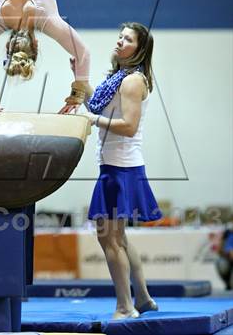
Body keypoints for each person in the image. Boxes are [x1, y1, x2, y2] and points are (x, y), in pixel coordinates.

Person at [78, 22, 162, 320]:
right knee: (120, 239)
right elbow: (98, 106)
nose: (119, 42)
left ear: (138, 50)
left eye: (127, 40)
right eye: (119, 36)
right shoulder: (118, 78)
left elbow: (128, 126)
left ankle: (125, 306)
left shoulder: (132, 81)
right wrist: (80, 77)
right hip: (117, 166)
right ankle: (143, 298)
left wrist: (92, 119)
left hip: (121, 168)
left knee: (109, 239)